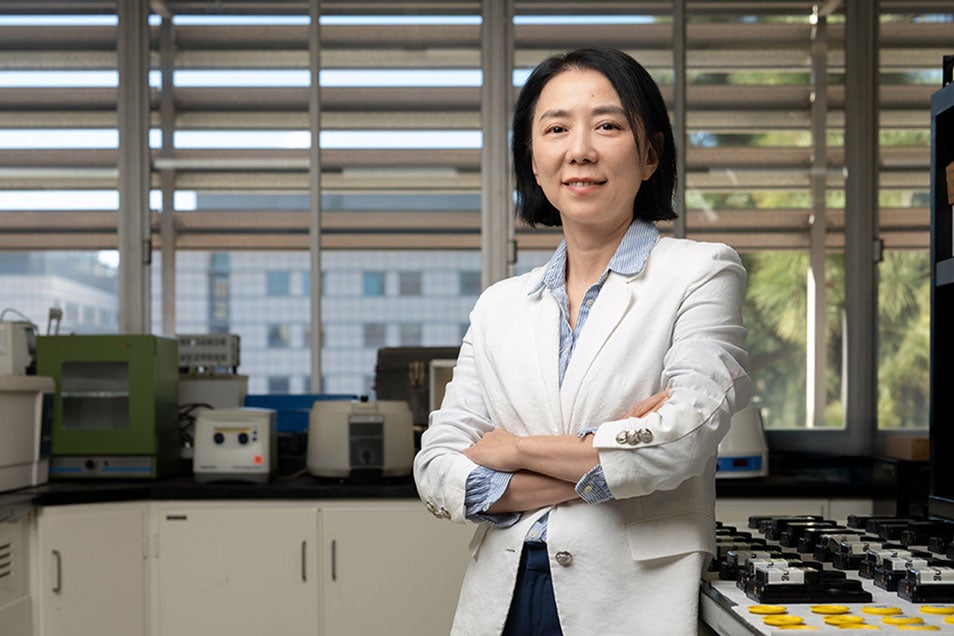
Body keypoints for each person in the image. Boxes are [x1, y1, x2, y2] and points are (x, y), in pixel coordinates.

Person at [413, 47, 752, 636]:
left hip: (631, 599)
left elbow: (684, 438)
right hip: (504, 594)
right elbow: (437, 463)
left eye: (608, 125)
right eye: (556, 128)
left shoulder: (701, 272)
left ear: (649, 155)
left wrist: (512, 449)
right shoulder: (499, 305)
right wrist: (608, 452)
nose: (581, 149)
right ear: (534, 160)